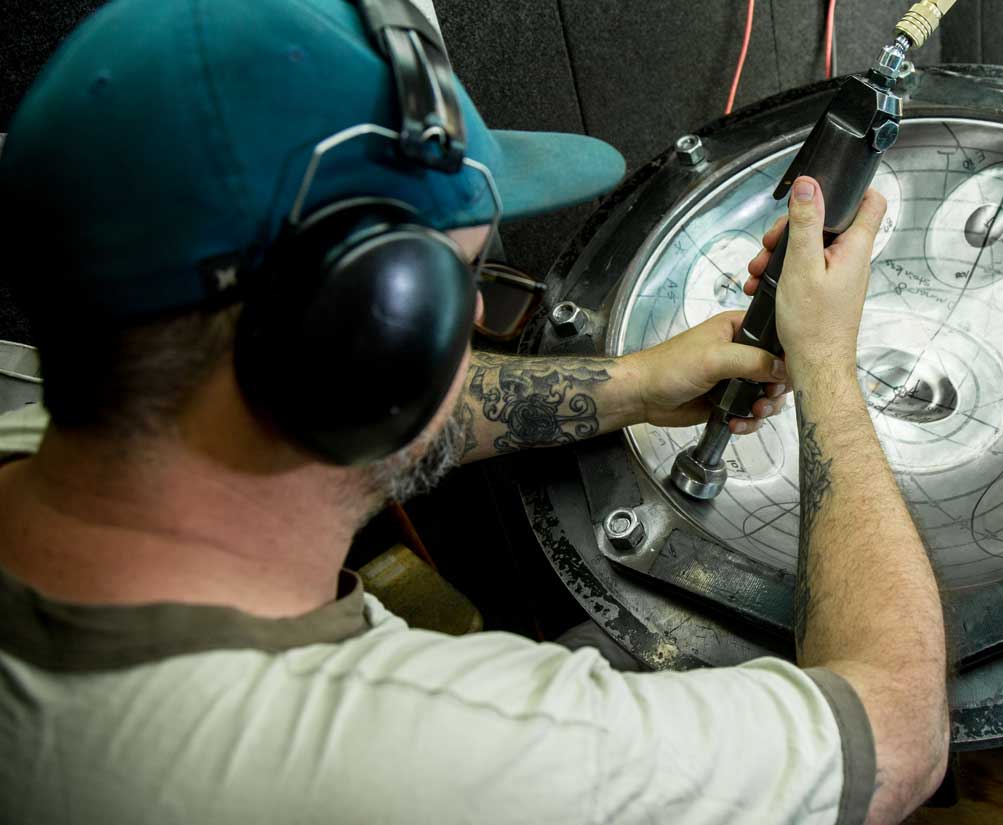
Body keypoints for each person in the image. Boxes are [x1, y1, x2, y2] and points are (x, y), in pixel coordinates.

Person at [0, 0, 949, 823]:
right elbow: (899, 730)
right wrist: (826, 364)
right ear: (370, 349)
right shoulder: (432, 755)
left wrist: (629, 382)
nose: (471, 330)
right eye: (462, 290)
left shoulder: (38, 407)